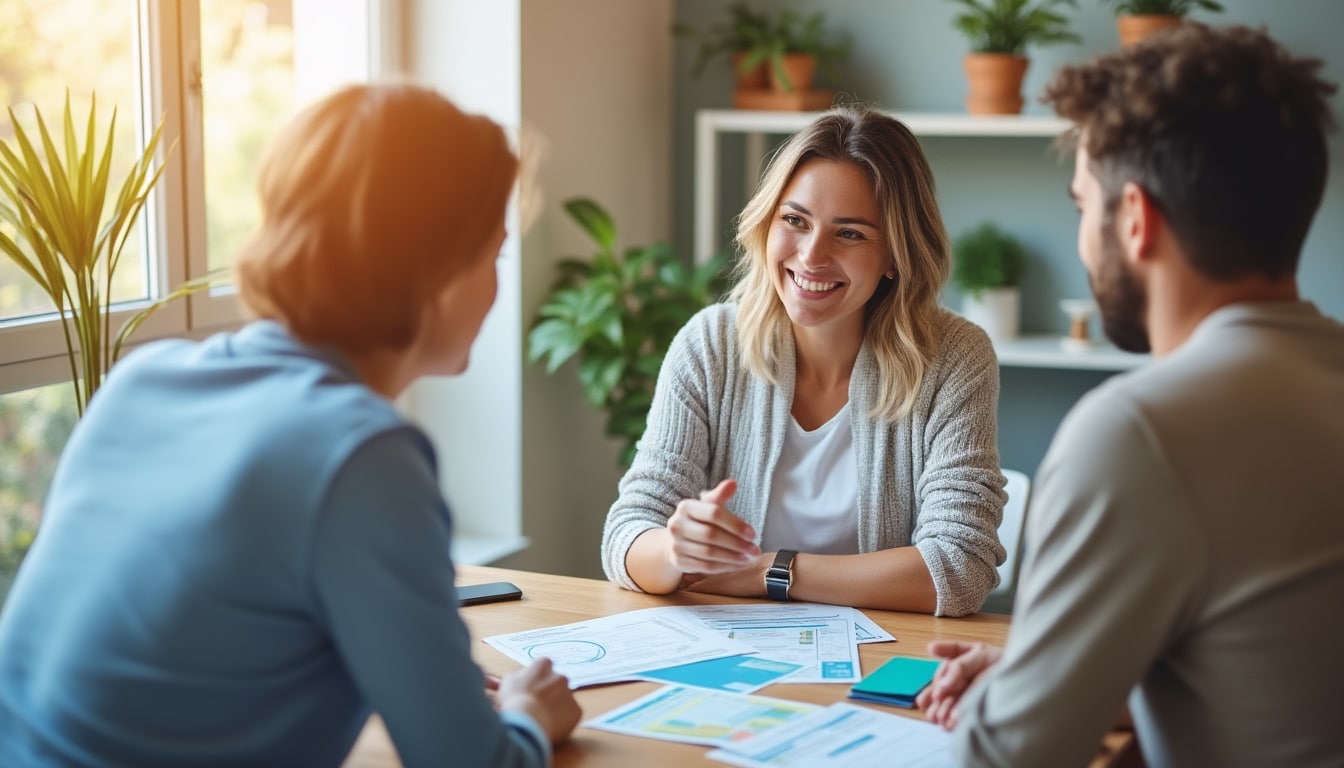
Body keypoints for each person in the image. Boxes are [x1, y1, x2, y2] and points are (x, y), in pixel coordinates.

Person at [0, 84, 581, 767]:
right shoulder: (363, 455)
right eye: (495, 255)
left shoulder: (142, 379)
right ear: (439, 273)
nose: (495, 285)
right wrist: (529, 717)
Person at [915, 23, 1344, 767]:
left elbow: (1007, 758)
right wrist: (1058, 674)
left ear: (1136, 220)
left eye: (1084, 206)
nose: (1085, 237)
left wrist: (1011, 696)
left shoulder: (1140, 433)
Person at [601, 106, 1006, 617]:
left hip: (885, 662)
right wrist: (674, 551)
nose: (812, 256)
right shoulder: (710, 344)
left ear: (895, 257)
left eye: (851, 233)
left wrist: (766, 571)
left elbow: (959, 568)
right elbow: (627, 535)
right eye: (794, 220)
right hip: (728, 653)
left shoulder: (953, 358)